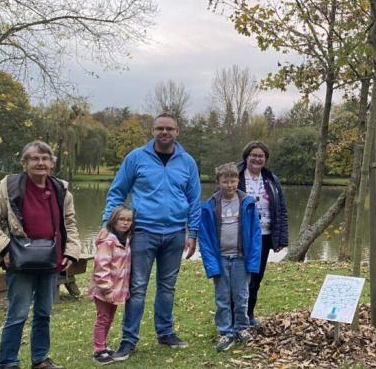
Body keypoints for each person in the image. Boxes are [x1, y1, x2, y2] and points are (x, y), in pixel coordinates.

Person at [103, 112, 201, 361]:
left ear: (177, 131)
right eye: (160, 128)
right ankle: (128, 339)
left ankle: (165, 333)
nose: (165, 133)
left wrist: (193, 232)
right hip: (143, 232)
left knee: (167, 287)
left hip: (176, 233)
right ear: (153, 130)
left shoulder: (187, 161)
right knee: (136, 287)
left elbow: (194, 200)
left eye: (169, 129)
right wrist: (110, 226)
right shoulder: (136, 158)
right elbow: (117, 192)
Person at [0, 141, 81, 369]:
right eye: (34, 158)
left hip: (51, 262)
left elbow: (71, 225)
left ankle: (40, 360)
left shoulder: (61, 189)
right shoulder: (10, 186)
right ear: (24, 163)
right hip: (20, 262)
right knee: (17, 314)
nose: (40, 163)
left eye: (45, 158)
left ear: (52, 163)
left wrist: (72, 252)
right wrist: (5, 248)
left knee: (44, 313)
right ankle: (8, 362)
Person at [198, 163, 262, 352]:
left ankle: (241, 327)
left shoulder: (247, 203)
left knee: (241, 295)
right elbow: (205, 238)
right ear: (218, 182)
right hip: (220, 258)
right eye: (225, 181)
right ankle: (225, 331)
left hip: (241, 258)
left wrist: (253, 261)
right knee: (222, 298)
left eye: (233, 181)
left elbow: (256, 236)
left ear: (238, 181)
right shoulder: (209, 206)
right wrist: (211, 265)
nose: (230, 185)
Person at [237, 141, 288, 326]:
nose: (257, 158)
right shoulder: (235, 175)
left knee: (256, 278)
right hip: (239, 236)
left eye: (261, 156)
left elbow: (281, 209)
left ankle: (249, 314)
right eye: (254, 155)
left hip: (265, 236)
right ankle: (234, 316)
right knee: (239, 277)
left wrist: (282, 237)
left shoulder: (271, 179)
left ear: (265, 159)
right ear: (246, 157)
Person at [89, 206, 134, 365]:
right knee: (102, 318)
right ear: (114, 220)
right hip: (104, 289)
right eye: (122, 219)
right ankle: (98, 350)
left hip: (116, 289)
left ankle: (103, 345)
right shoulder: (108, 241)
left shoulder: (126, 239)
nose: (125, 223)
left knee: (109, 318)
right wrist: (106, 288)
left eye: (129, 220)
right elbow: (101, 267)